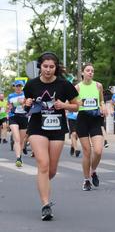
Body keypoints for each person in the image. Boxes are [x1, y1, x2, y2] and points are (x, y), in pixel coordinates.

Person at [24, 52, 79, 221]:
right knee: (43, 164)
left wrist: (64, 105)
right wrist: (26, 104)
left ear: (56, 68)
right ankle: (45, 205)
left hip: (57, 128)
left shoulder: (64, 85)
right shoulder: (31, 85)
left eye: (51, 67)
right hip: (37, 127)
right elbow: (27, 106)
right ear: (40, 67)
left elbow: (77, 106)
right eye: (45, 66)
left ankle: (43, 183)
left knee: (52, 170)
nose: (48, 70)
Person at [75, 62, 107, 191]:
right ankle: (86, 180)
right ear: (82, 73)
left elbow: (102, 100)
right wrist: (79, 102)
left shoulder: (98, 86)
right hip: (82, 119)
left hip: (95, 119)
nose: (90, 72)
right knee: (87, 152)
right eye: (88, 70)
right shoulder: (77, 87)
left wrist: (103, 107)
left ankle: (93, 171)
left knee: (98, 150)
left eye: (92, 71)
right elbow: (72, 103)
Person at [8, 80, 28, 167]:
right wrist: (9, 110)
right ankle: (18, 158)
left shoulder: (26, 95)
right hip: (13, 117)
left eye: (20, 86)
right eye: (17, 86)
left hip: (23, 117)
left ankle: (20, 156)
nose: (18, 87)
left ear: (22, 86)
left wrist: (23, 103)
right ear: (14, 87)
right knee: (17, 138)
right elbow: (9, 107)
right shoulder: (10, 96)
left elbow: (28, 106)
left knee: (21, 140)